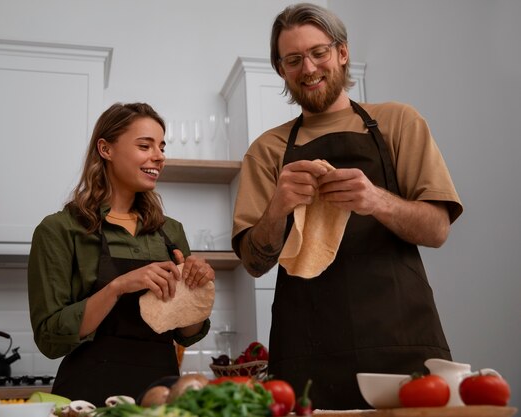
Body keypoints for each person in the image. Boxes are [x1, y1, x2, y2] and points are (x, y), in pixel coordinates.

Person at [231, 3, 463, 410]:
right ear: (281, 69)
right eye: (294, 59)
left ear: (342, 52)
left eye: (319, 52)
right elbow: (253, 262)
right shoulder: (266, 151)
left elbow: (437, 230)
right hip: (307, 349)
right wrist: (279, 207)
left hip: (401, 340)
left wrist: (376, 200)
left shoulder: (397, 122)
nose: (309, 68)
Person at [28, 102, 215, 406]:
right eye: (145, 145)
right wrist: (118, 286)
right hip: (88, 397)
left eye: (161, 146)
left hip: (162, 398)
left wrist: (197, 289)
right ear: (106, 149)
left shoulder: (171, 232)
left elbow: (187, 331)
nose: (159, 156)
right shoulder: (59, 230)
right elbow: (49, 338)